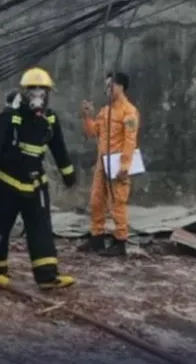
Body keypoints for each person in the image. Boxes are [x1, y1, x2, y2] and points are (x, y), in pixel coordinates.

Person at [0, 67, 76, 290]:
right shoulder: (9, 118)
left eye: (42, 91)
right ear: (24, 93)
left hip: (35, 183)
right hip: (8, 181)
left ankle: (46, 276)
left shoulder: (49, 118)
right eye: (33, 91)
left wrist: (68, 175)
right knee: (1, 227)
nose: (38, 96)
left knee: (41, 228)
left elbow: (59, 148)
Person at [78, 72, 139, 257]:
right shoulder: (105, 111)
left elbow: (130, 140)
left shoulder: (129, 112)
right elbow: (92, 132)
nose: (107, 90)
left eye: (110, 86)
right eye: (106, 86)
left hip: (117, 164)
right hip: (102, 163)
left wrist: (125, 166)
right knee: (96, 200)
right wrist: (87, 116)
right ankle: (97, 237)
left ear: (120, 87)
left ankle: (120, 241)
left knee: (117, 202)